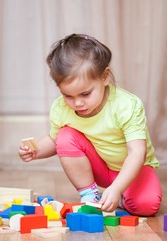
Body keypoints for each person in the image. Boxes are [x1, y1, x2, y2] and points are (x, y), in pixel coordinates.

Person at [18, 33, 162, 216]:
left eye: (85, 94)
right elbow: (54, 141)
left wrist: (117, 189)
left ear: (104, 77)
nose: (77, 103)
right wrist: (36, 151)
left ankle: (122, 195)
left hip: (134, 168)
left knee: (146, 206)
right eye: (68, 96)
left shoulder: (126, 105)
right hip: (100, 167)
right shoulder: (61, 109)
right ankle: (90, 195)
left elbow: (137, 152)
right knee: (65, 136)